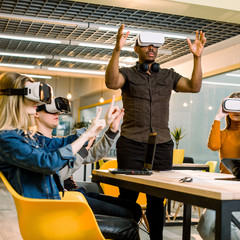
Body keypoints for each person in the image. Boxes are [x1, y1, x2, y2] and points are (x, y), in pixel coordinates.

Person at [0, 72, 139, 240]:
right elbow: (48, 163)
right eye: (32, 97)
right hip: (48, 216)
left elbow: (60, 144)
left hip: (55, 207)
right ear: (15, 98)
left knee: (130, 218)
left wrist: (100, 127)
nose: (37, 103)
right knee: (128, 228)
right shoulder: (7, 139)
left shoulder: (25, 137)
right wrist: (87, 135)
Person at [105, 24, 206, 239]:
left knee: (156, 199)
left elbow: (194, 86)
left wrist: (197, 58)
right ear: (136, 48)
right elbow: (112, 82)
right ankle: (127, 236)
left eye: (155, 45)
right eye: (146, 44)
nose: (151, 48)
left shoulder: (168, 76)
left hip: (162, 145)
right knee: (128, 196)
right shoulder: (128, 75)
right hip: (132, 143)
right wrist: (116, 49)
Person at [35, 95, 142, 222]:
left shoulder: (60, 141)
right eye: (50, 109)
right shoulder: (36, 145)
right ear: (36, 113)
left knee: (134, 208)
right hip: (67, 199)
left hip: (78, 193)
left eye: (58, 111)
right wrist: (82, 148)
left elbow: (92, 154)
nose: (57, 113)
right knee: (129, 213)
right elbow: (54, 175)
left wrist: (112, 131)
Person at [197, 92, 240, 239]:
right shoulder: (223, 134)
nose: (236, 111)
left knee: (226, 224)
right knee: (204, 227)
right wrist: (218, 117)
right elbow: (213, 145)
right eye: (232, 106)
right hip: (224, 190)